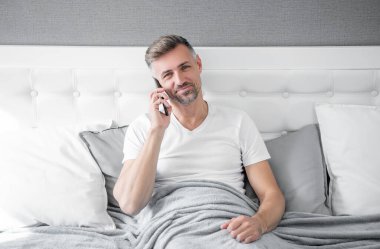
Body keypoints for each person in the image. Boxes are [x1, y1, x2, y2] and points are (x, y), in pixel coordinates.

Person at [113, 35, 285, 244]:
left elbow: (272, 195)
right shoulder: (143, 128)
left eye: (185, 67)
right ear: (159, 84)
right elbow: (130, 204)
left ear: (198, 64)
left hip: (229, 224)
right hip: (174, 227)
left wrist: (259, 222)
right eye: (168, 74)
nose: (179, 80)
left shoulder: (238, 121)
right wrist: (157, 130)